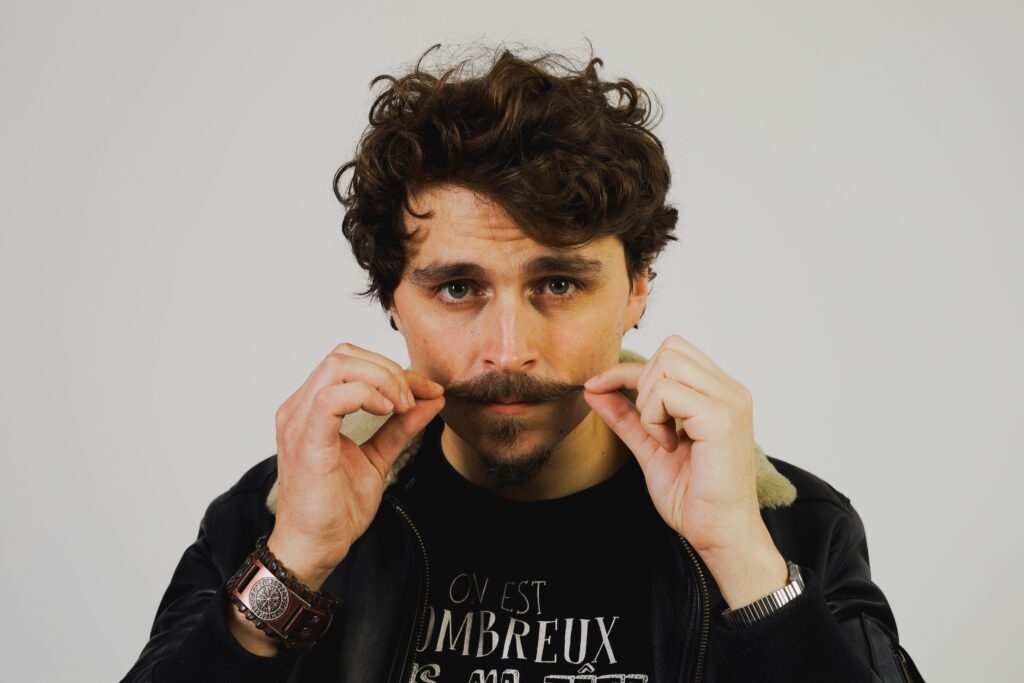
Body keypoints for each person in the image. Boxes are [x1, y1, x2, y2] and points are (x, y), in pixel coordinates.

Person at [119, 43, 924, 683]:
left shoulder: (790, 528)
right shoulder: (278, 510)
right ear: (392, 298)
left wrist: (742, 560)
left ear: (639, 288)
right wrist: (294, 559)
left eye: (561, 282)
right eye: (459, 287)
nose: (509, 348)